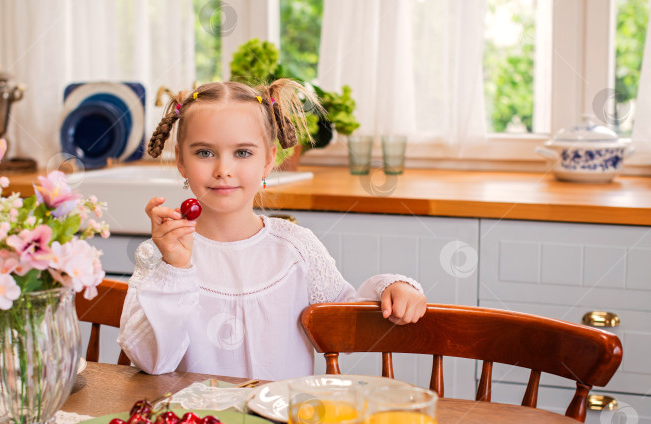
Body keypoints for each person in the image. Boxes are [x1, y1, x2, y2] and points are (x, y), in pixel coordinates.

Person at [117, 79, 427, 380]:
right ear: (181, 162)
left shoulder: (295, 247)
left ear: (268, 161)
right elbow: (151, 362)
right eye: (204, 153)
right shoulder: (157, 255)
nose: (223, 169)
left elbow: (344, 323)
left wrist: (392, 287)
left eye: (242, 153)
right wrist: (176, 268)